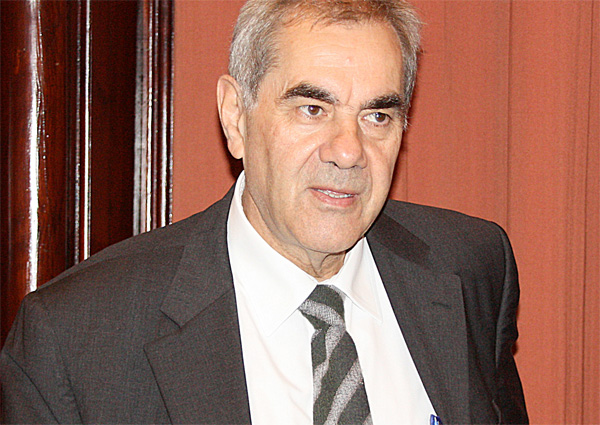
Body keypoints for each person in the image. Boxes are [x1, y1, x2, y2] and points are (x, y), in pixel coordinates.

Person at [0, 0, 528, 423]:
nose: (348, 151)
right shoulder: (78, 337)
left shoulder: (470, 268)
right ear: (236, 117)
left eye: (377, 116)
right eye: (312, 109)